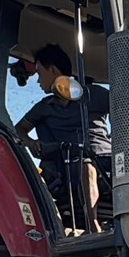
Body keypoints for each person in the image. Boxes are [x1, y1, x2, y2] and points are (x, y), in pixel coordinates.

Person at [14, 43, 110, 221]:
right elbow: (19, 129)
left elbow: (124, 113)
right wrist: (31, 142)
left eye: (40, 73)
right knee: (86, 165)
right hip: (69, 163)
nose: (38, 81)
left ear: (52, 70)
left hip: (106, 159)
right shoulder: (44, 107)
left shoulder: (95, 94)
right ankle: (93, 224)